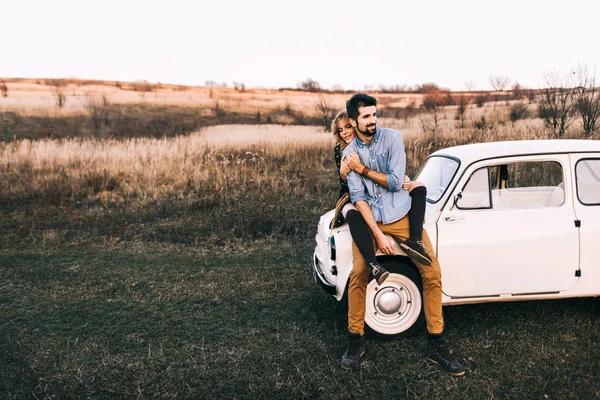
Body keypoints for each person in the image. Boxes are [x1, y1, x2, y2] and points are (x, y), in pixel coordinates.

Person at [339, 93, 465, 376]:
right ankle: (355, 340)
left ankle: (436, 341)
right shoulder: (349, 154)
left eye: (374, 115)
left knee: (431, 272)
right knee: (359, 273)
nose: (373, 121)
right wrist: (378, 236)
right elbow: (358, 199)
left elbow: (397, 183)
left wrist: (363, 169)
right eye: (366, 116)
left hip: (401, 217)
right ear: (353, 121)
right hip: (372, 218)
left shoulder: (392, 138)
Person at [330, 111, 389, 284]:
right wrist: (345, 168)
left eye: (348, 127)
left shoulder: (374, 145)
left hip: (374, 194)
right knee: (353, 214)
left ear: (356, 124)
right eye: (340, 130)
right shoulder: (340, 150)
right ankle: (374, 265)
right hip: (349, 196)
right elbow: (343, 178)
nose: (345, 132)